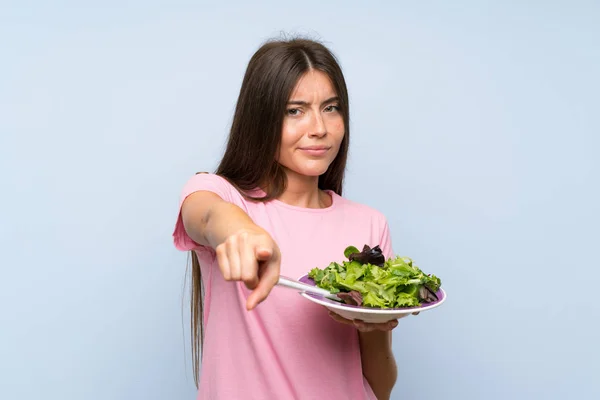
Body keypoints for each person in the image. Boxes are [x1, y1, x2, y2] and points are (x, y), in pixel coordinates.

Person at [173, 37, 407, 400]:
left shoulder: (369, 225)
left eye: (331, 108)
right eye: (294, 111)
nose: (319, 128)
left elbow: (380, 385)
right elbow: (204, 215)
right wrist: (240, 231)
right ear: (262, 119)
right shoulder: (222, 196)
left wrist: (372, 323)